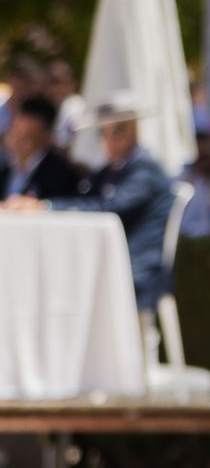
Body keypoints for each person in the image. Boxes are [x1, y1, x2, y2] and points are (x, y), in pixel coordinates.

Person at [3, 92, 175, 310]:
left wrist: (44, 207)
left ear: (131, 130)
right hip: (109, 263)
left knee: (55, 282)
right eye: (100, 132)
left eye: (113, 131)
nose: (104, 140)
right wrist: (37, 204)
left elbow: (107, 208)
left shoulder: (144, 170)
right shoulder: (110, 170)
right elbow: (82, 199)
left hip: (136, 268)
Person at [0, 95, 83, 201]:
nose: (17, 140)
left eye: (28, 135)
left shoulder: (60, 175)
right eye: (16, 132)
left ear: (47, 137)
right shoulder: (5, 169)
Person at [43, 59, 87, 149]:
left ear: (71, 83)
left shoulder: (76, 106)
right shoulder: (49, 107)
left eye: (57, 81)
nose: (56, 87)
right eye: (52, 81)